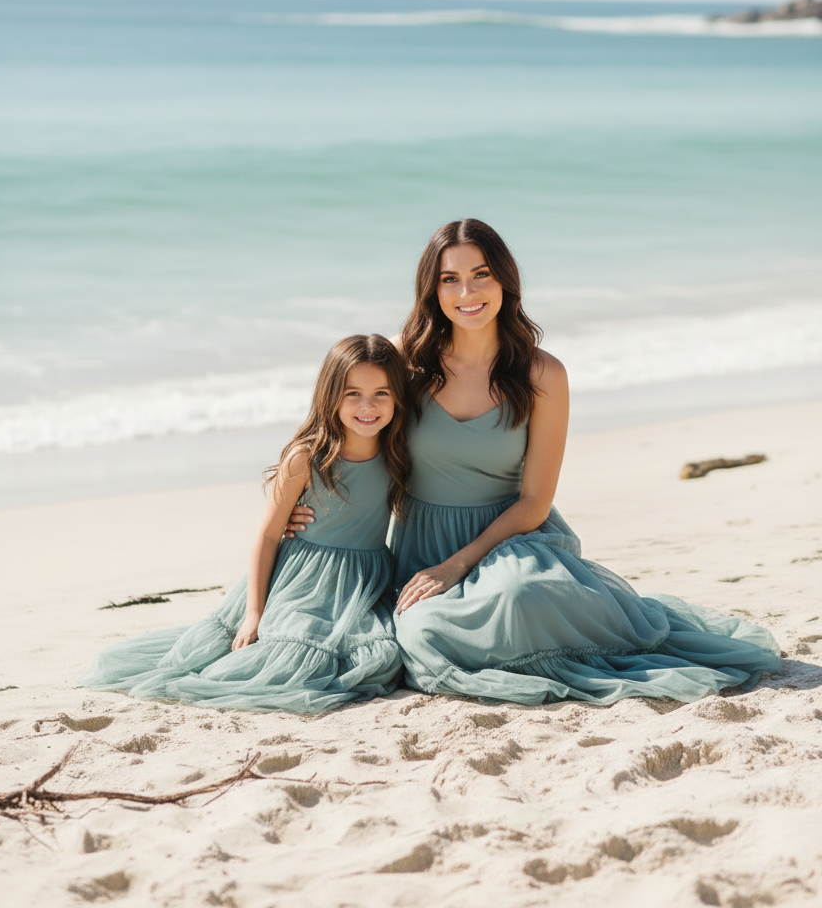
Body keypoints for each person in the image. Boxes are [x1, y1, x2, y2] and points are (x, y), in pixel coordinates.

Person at [288, 220, 781, 706]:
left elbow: (535, 500)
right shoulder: (406, 361)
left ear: (505, 280)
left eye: (481, 274)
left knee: (518, 598)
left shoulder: (543, 374)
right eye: (450, 279)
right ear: (431, 289)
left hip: (510, 540)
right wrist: (302, 501)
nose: (468, 292)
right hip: (423, 545)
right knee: (421, 634)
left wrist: (457, 566)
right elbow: (344, 432)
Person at [80, 334, 410, 713]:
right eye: (353, 393)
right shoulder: (307, 457)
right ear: (330, 393)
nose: (367, 406)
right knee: (292, 656)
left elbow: (412, 346)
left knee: (380, 659)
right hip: (301, 580)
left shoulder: (398, 451)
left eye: (381, 393)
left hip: (364, 582)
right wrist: (255, 613)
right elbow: (268, 535)